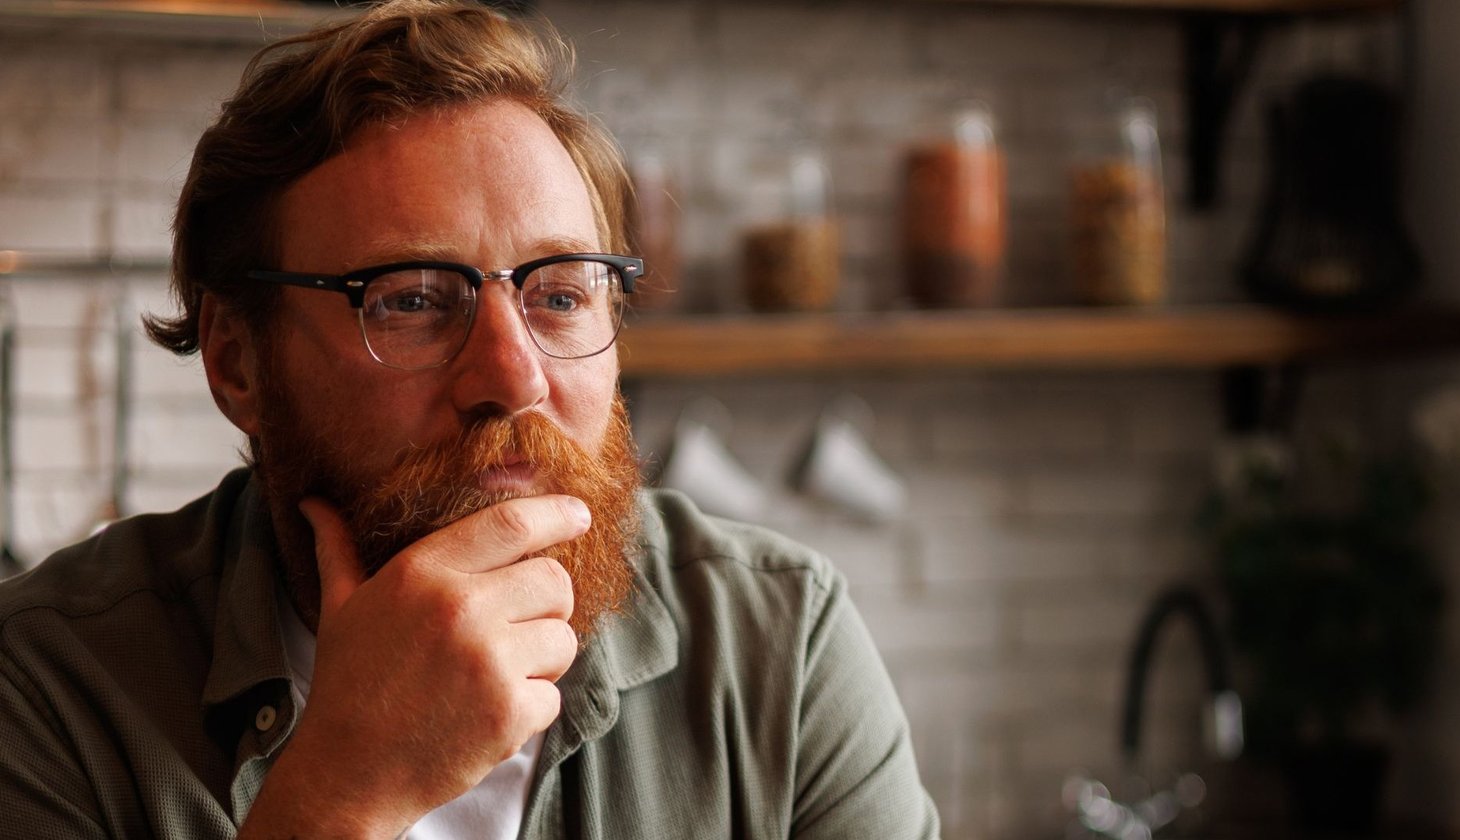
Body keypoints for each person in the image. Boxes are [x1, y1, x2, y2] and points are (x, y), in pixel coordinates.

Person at [0, 2, 940, 837]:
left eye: (561, 296)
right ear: (238, 362)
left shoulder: (778, 644)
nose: (513, 377)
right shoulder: (47, 687)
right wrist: (342, 796)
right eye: (410, 300)